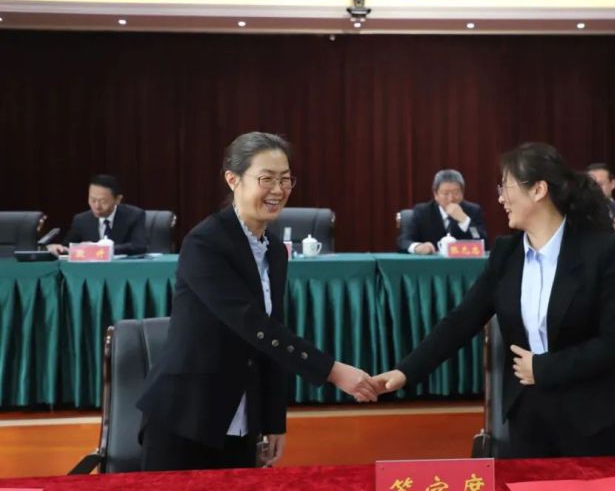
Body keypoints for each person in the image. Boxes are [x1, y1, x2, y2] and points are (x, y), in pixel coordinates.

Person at [377, 143, 615, 458]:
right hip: (529, 421)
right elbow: (461, 321)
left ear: (538, 190)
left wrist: (543, 368)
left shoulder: (603, 252)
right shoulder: (506, 254)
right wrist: (405, 372)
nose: (501, 198)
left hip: (595, 420)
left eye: (506, 187)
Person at [137, 132, 379, 471]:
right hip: (185, 414)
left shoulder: (275, 250)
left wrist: (274, 420)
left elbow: (270, 337)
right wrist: (332, 371)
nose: (278, 190)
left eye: (285, 179)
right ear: (233, 179)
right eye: (267, 179)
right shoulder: (205, 243)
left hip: (240, 417)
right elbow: (253, 324)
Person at [47, 174, 147, 255]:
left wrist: (100, 248)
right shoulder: (81, 220)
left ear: (118, 199)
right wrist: (58, 248)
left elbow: (139, 246)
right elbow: (68, 247)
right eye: (92, 200)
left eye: (103, 201)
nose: (97, 206)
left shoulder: (134, 215)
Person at [397, 169, 488, 254]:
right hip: (431, 263)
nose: (451, 199)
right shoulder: (422, 212)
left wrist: (465, 221)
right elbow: (403, 241)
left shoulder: (472, 210)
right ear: (435, 194)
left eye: (456, 193)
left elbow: (481, 240)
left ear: (462, 193)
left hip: (462, 263)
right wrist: (417, 247)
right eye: (445, 193)